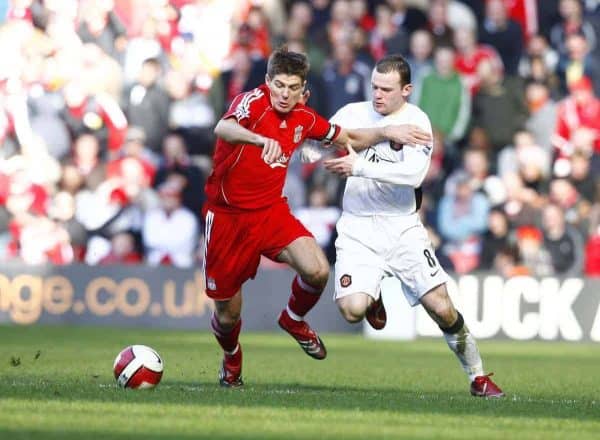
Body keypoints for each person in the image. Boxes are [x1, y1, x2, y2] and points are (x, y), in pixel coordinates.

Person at [204, 47, 431, 387]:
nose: (284, 93)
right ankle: (232, 358)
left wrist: (387, 132)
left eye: (292, 87)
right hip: (227, 217)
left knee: (318, 270)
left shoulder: (304, 118)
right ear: (268, 82)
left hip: (269, 211)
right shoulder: (251, 102)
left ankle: (293, 319)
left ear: (302, 89)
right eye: (278, 85)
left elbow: (348, 137)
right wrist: (258, 139)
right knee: (227, 313)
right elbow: (224, 128)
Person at [322, 54, 504, 398]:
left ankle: (478, 377)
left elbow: (413, 175)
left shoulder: (417, 121)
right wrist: (305, 144)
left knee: (442, 307)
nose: (378, 94)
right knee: (351, 309)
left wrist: (360, 167)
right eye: (375, 86)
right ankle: (372, 297)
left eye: (386, 89)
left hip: (402, 229)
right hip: (358, 228)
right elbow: (319, 142)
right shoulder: (351, 114)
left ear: (406, 90)